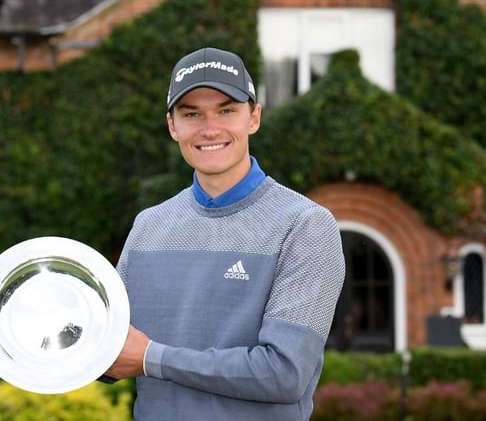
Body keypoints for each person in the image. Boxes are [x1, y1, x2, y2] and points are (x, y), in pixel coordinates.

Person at [103, 46, 346, 420]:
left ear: (254, 118)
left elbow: (284, 373)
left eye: (226, 110)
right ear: (172, 126)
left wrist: (153, 359)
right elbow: (109, 349)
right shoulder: (148, 227)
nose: (209, 128)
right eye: (191, 114)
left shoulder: (305, 226)